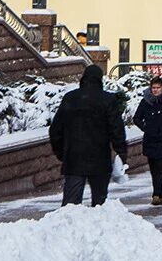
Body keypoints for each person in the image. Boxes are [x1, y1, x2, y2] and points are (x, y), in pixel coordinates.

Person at [49, 64, 129, 207]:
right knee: (100, 203)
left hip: (74, 158)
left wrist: (61, 153)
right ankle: (99, 228)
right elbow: (116, 129)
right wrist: (121, 153)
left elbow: (56, 130)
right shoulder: (107, 100)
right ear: (100, 79)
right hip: (100, 158)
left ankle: (69, 227)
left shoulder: (70, 98)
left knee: (70, 205)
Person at [132, 76, 162, 207]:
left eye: (158, 88)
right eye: (153, 88)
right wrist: (145, 127)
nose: (155, 90)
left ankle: (157, 194)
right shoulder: (145, 102)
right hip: (150, 140)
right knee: (153, 168)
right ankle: (158, 193)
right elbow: (136, 118)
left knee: (160, 167)